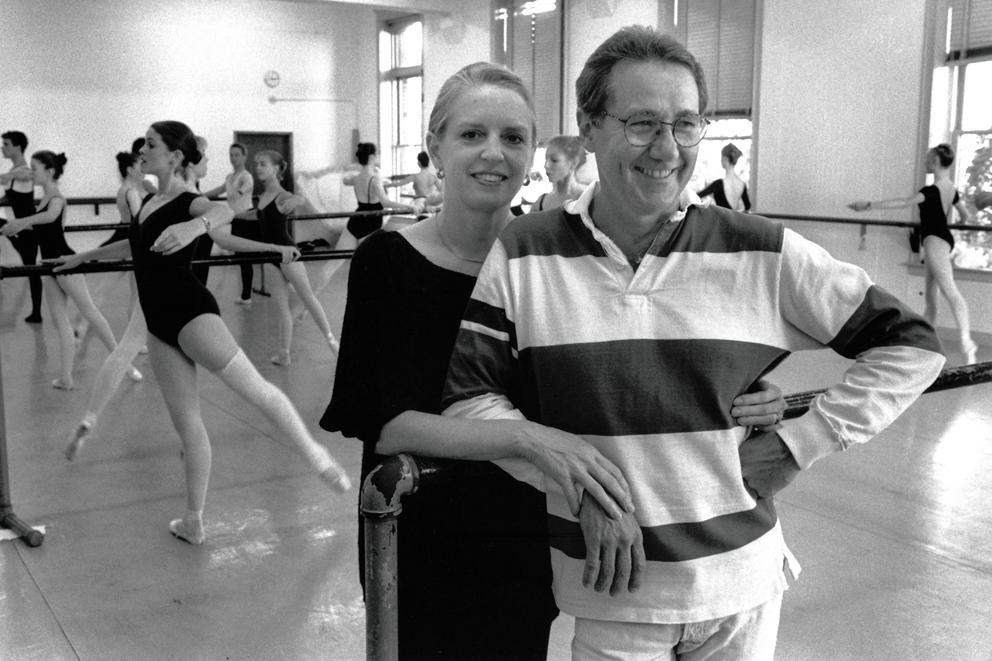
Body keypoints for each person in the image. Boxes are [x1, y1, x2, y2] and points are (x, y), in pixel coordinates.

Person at [441, 27, 945, 661]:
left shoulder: (759, 249)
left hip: (743, 589)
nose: (667, 149)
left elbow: (913, 345)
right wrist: (576, 485)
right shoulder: (524, 253)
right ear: (589, 126)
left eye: (686, 124)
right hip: (614, 595)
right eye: (642, 123)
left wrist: (799, 443)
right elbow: (469, 400)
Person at [321, 61, 786, 661]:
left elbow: (634, 360)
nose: (494, 154)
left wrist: (749, 391)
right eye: (472, 135)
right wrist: (529, 441)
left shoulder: (548, 256)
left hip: (533, 530)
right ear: (435, 146)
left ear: (533, 153)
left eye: (513, 138)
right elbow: (382, 422)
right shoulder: (388, 260)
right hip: (424, 533)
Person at [54, 121, 349, 545]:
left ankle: (316, 456)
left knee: (256, 389)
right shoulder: (150, 202)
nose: (143, 150)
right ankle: (193, 520)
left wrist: (194, 228)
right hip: (159, 326)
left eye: (151, 145)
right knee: (188, 425)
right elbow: (133, 247)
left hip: (191, 314)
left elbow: (224, 211)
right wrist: (80, 259)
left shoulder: (188, 202)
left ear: (175, 157)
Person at [0, 151, 121, 390]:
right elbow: (44, 231)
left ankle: (122, 362)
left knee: (90, 313)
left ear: (50, 171)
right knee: (60, 322)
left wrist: (23, 222)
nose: (31, 173)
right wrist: (15, 228)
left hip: (66, 262)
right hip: (50, 265)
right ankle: (66, 377)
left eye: (35, 168)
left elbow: (51, 216)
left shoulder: (56, 198)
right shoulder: (44, 199)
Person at [849, 143, 978, 364]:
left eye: (928, 158)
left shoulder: (930, 191)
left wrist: (868, 205)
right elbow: (965, 217)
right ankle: (926, 345)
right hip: (941, 239)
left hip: (934, 241)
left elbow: (902, 203)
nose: (926, 161)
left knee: (949, 291)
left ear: (936, 161)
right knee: (931, 296)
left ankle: (967, 341)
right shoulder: (951, 190)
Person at [213, 149, 339, 363]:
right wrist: (227, 216)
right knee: (281, 308)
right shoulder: (263, 196)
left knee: (307, 297)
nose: (258, 168)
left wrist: (298, 199)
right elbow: (258, 215)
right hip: (270, 256)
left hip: (288, 254)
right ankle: (284, 353)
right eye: (257, 164)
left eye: (263, 164)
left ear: (277, 169)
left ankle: (332, 342)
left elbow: (296, 199)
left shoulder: (282, 196)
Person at [64, 151, 149, 459]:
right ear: (129, 168)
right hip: (131, 240)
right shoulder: (130, 190)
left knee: (120, 289)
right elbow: (139, 221)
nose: (142, 169)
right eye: (138, 165)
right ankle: (97, 327)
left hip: (124, 235)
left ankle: (87, 325)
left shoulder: (123, 189)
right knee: (130, 291)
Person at [204, 142, 257, 305]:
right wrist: (197, 196)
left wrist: (236, 192)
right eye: (231, 155)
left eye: (237, 155)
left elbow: (238, 194)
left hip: (247, 221)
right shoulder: (230, 177)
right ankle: (246, 294)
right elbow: (218, 191)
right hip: (237, 220)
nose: (233, 158)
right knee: (241, 258)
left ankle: (247, 295)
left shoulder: (247, 177)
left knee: (246, 258)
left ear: (244, 157)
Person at [0, 130, 43, 323]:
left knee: (31, 269)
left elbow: (29, 175)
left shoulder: (23, 170)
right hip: (17, 227)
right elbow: (9, 197)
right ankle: (36, 312)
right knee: (29, 267)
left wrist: (8, 177)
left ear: (17, 147)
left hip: (27, 229)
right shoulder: (14, 173)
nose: (3, 147)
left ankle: (37, 313)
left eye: (6, 144)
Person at [532, 135, 586, 211]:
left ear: (573, 163)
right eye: (546, 159)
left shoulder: (588, 197)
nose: (546, 165)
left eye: (554, 160)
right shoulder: (540, 202)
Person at [385, 150, 443, 217]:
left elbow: (398, 184)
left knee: (421, 224)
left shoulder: (415, 177)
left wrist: (385, 185)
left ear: (419, 163)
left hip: (419, 204)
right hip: (430, 204)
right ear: (429, 163)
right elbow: (443, 190)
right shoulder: (433, 177)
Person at [698, 142, 751, 211]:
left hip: (720, 221)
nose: (721, 160)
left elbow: (698, 196)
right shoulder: (742, 184)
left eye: (721, 158)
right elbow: (748, 206)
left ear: (725, 159)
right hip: (734, 221)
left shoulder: (718, 184)